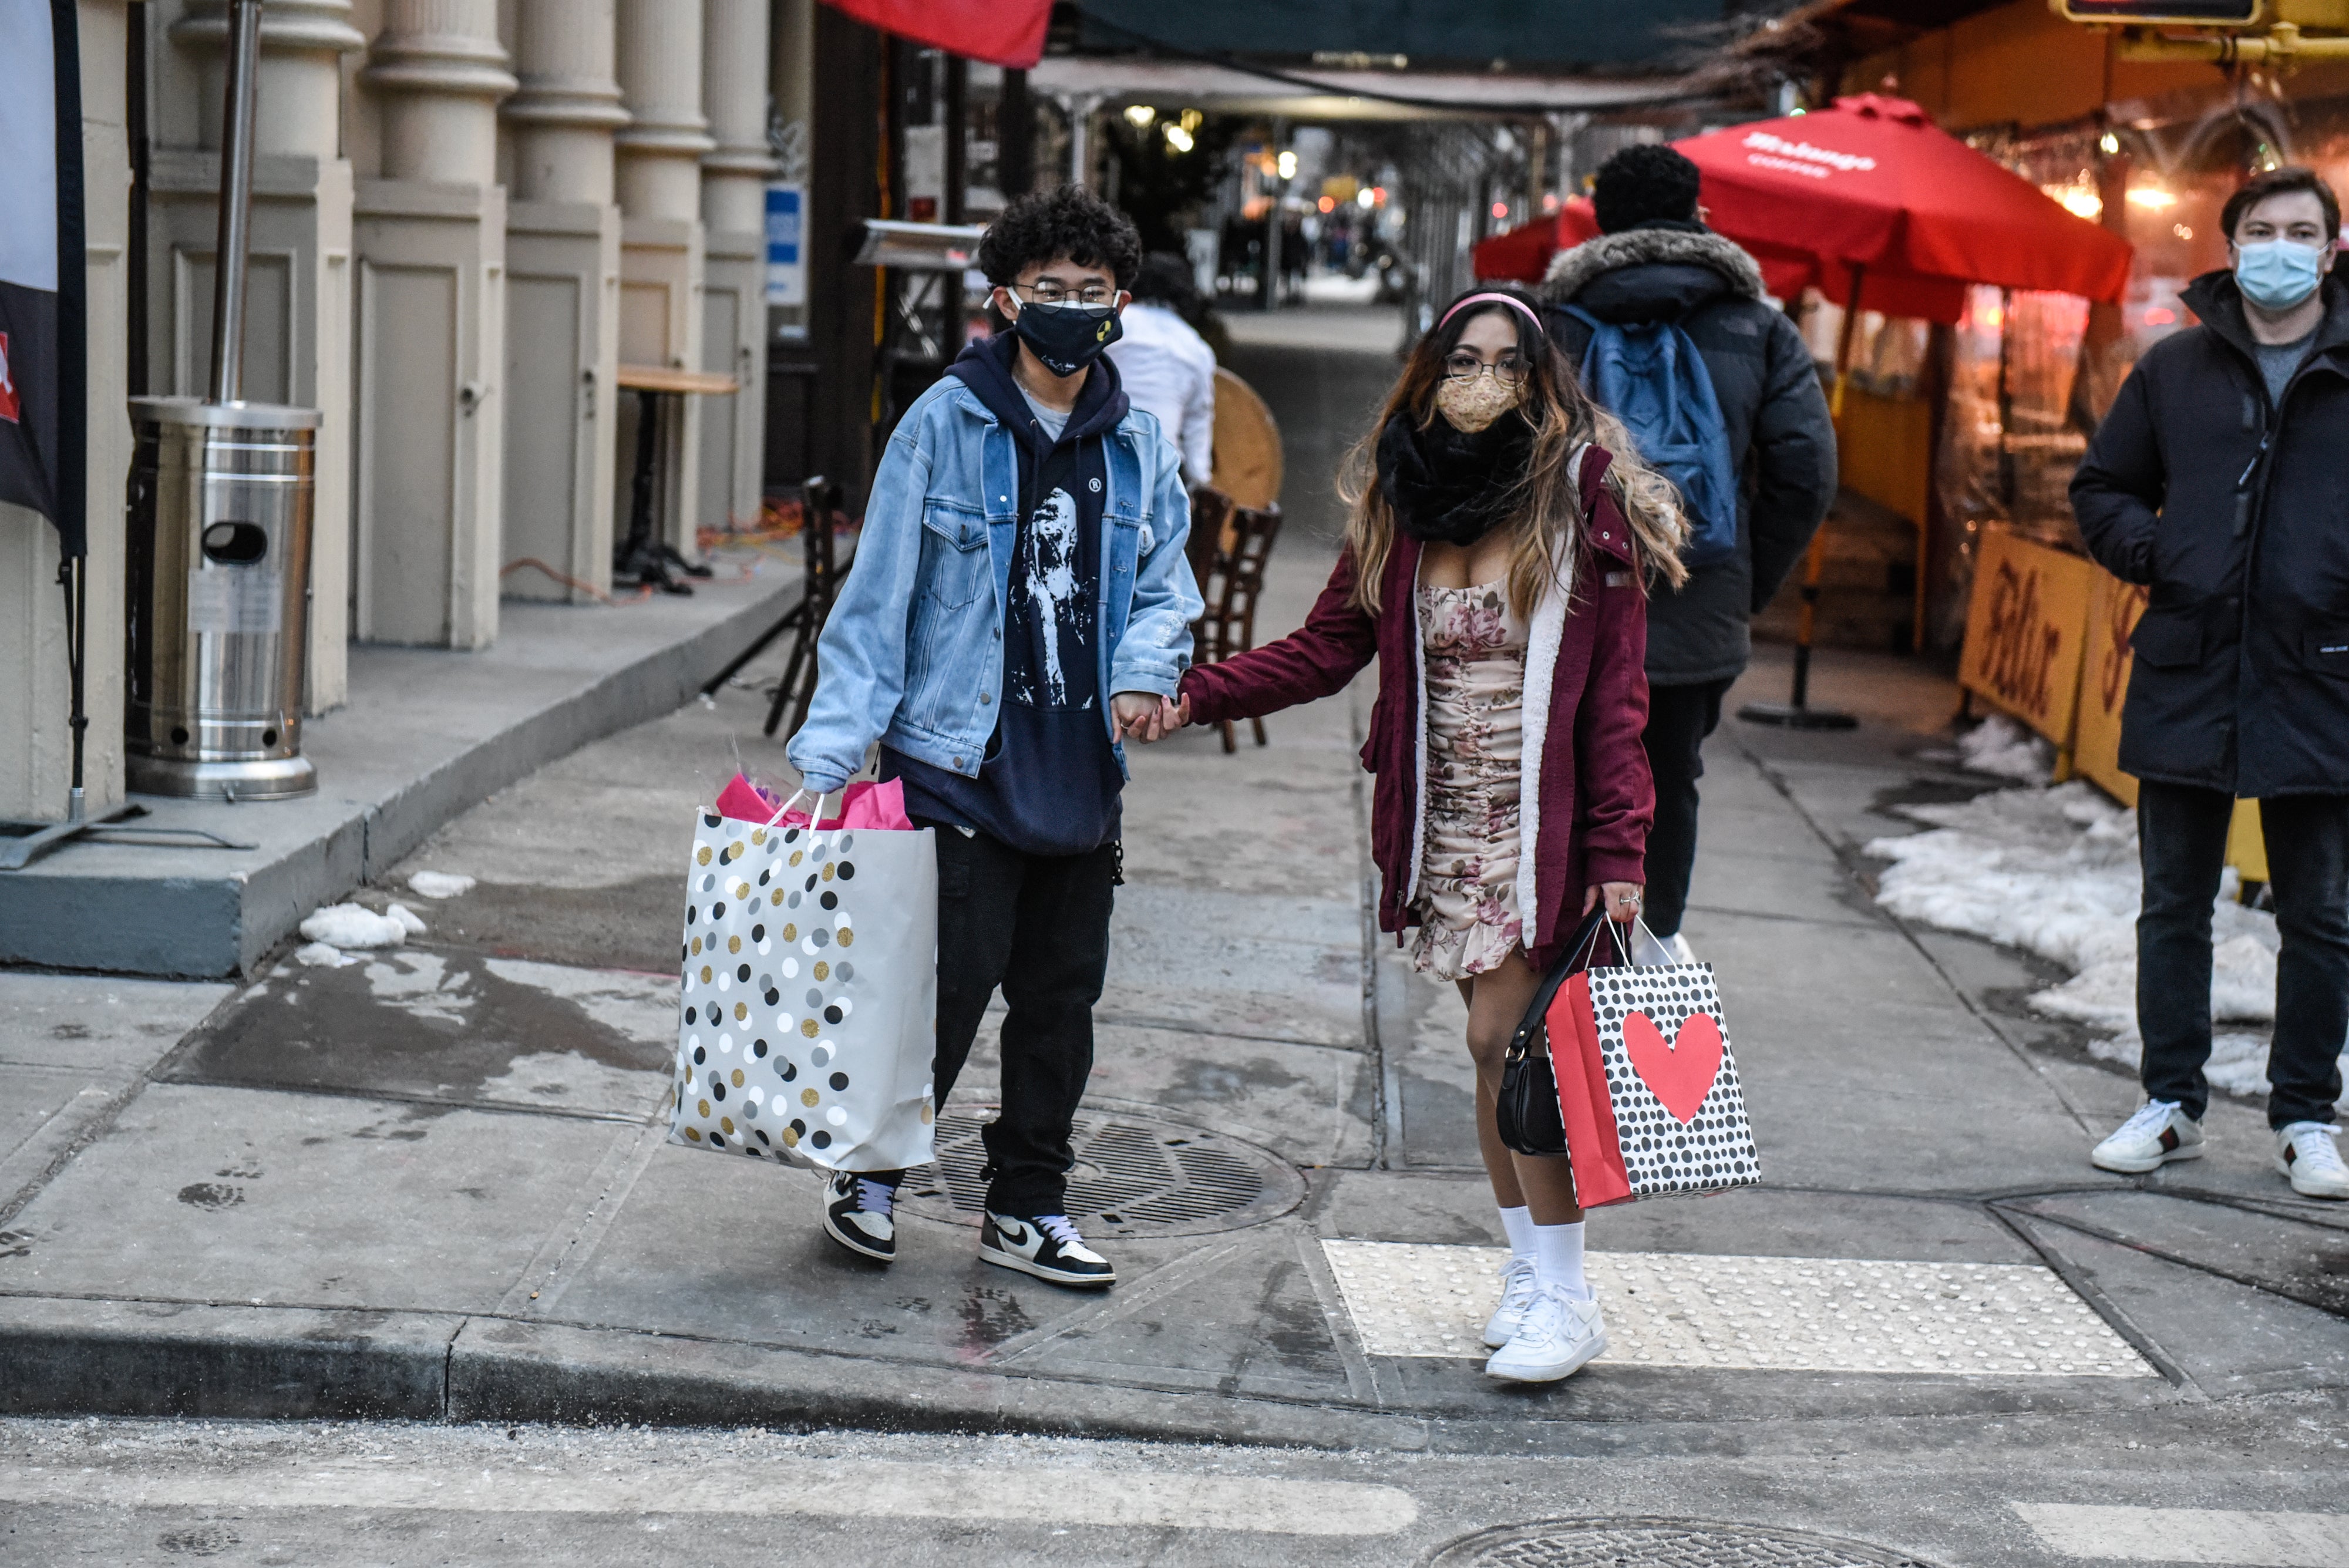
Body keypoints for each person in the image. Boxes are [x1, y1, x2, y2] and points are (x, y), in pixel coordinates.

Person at [1173, 288, 1685, 1381]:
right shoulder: (1404, 504)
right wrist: (1193, 695)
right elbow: (1322, 651)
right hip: (1441, 825)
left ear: (1543, 381)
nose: (1483, 379)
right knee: (1496, 1059)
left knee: (1507, 1049)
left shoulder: (1580, 499)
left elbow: (1619, 705)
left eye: (1507, 361)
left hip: (1540, 833)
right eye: (1464, 357)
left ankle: (1567, 1295)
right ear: (1430, 370)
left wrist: (1620, 854)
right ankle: (1530, 1271)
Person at [786, 185, 1202, 1281]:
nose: (1070, 308)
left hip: (1080, 779)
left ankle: (1027, 1206)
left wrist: (1145, 673)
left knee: (1060, 1008)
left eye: (1092, 291)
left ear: (1121, 302)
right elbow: (878, 596)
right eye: (1048, 290)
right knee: (941, 990)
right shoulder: (945, 421)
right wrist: (834, 754)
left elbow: (1166, 587)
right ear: (1006, 298)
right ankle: (870, 1171)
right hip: (956, 765)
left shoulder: (1139, 446)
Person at [2072, 164, 2349, 1201]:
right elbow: (2102, 487)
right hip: (2190, 665)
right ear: (2232, 245)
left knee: (2320, 912)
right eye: (2262, 228)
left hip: (2324, 675)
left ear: (2330, 247)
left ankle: (2306, 1115)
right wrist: (2161, 553)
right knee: (2174, 904)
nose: (2282, 246)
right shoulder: (2175, 368)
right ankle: (2171, 1102)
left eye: (2303, 229)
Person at [1539, 144, 1837, 960]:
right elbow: (1807, 472)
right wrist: (1739, 582)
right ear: (1698, 214)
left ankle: (1558, 960)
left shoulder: (1552, 325)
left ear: (1600, 221)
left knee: (1562, 770)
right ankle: (1650, 949)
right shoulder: (1759, 327)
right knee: (1672, 777)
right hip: (1699, 602)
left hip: (1568, 600)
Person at [1106, 253, 1217, 487]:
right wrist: (1200, 482)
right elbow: (1199, 420)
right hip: (1161, 468)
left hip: (1099, 455)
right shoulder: (1196, 348)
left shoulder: (1111, 327)